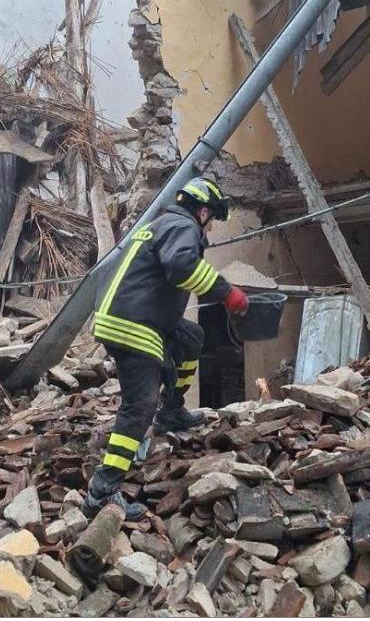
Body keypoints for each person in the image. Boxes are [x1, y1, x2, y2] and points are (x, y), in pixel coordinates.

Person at [85, 177, 249, 519]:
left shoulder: (162, 223)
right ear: (203, 212)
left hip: (135, 316)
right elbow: (181, 267)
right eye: (213, 220)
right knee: (138, 405)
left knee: (192, 337)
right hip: (133, 324)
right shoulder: (182, 225)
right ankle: (102, 490)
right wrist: (227, 293)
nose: (211, 228)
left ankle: (172, 411)